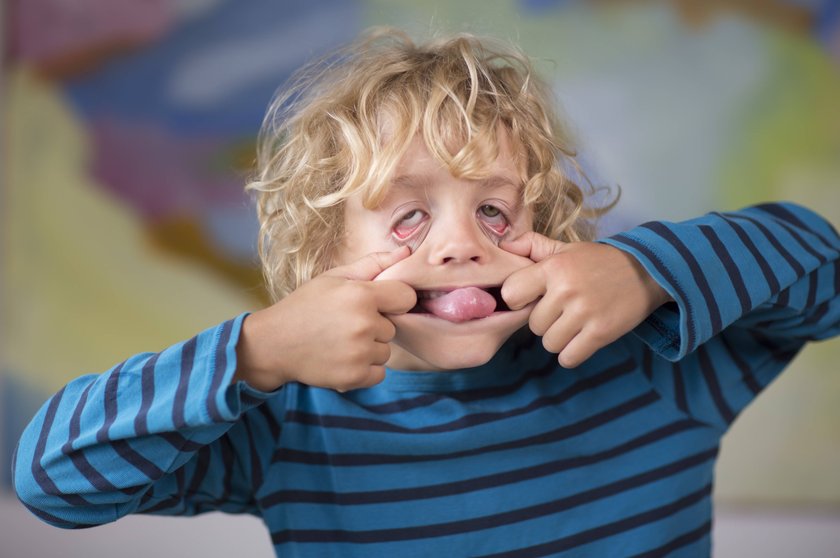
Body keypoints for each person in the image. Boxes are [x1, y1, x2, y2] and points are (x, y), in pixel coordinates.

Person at [13, 28, 840, 557]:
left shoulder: (651, 368)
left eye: (493, 208)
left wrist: (644, 272)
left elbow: (823, 272)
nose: (460, 244)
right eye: (408, 216)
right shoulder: (287, 427)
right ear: (327, 254)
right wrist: (256, 352)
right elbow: (55, 484)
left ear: (546, 227)